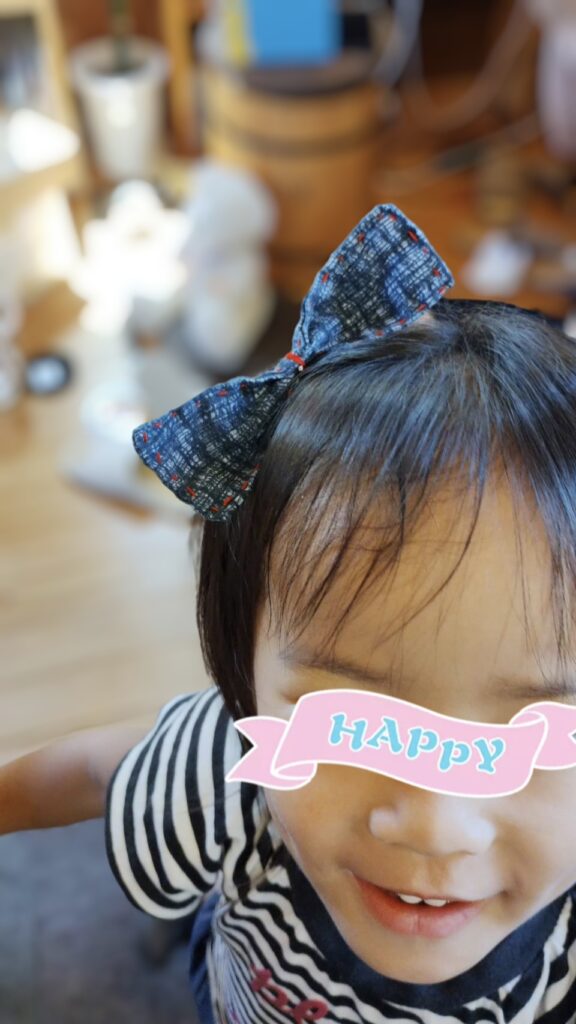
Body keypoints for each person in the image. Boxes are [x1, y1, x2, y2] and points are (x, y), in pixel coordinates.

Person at [2, 205, 576, 1023]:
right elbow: (96, 772)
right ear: (243, 671)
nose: (434, 827)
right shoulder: (230, 770)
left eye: (538, 742)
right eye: (352, 724)